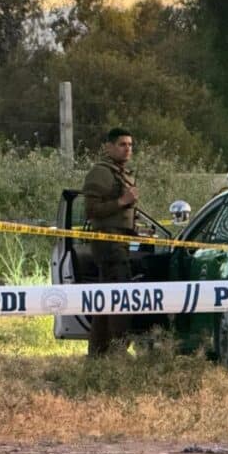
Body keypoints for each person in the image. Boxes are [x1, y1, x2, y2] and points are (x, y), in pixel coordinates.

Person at [82, 127, 138, 357]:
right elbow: (91, 210)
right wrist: (123, 201)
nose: (127, 149)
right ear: (109, 147)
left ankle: (98, 353)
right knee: (120, 298)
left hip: (120, 241)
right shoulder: (101, 173)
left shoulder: (121, 172)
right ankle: (118, 351)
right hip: (108, 243)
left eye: (130, 145)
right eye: (122, 144)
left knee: (106, 301)